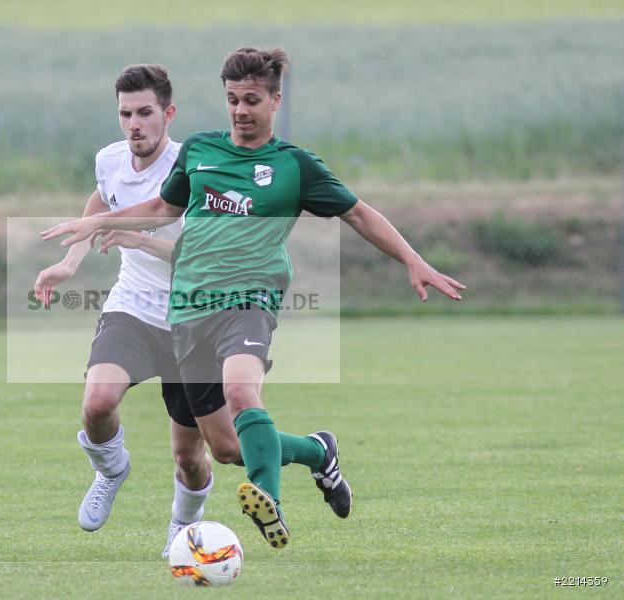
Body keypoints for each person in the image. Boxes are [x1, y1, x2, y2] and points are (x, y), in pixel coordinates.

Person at [42, 47, 465, 549]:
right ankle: (316, 451)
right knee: (224, 447)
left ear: (275, 102)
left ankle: (270, 501)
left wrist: (413, 259)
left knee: (244, 391)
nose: (241, 110)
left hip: (249, 300)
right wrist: (98, 223)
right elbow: (159, 207)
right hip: (189, 312)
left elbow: (359, 214)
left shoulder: (294, 166)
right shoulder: (200, 152)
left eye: (252, 100)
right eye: (233, 100)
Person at [32, 64, 241, 557]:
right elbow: (101, 201)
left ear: (167, 114)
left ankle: (182, 527)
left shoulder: (195, 168)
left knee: (191, 458)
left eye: (145, 112)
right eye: (126, 114)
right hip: (132, 308)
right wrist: (68, 262)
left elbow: (201, 254)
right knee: (98, 403)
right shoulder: (109, 160)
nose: (134, 124)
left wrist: (134, 239)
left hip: (193, 319)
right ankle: (111, 468)